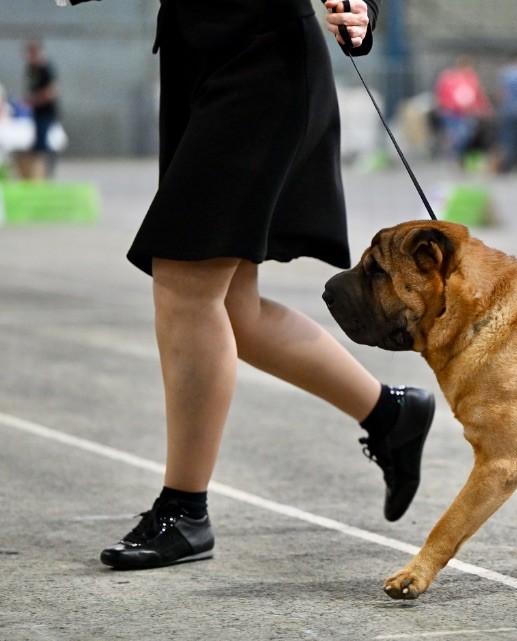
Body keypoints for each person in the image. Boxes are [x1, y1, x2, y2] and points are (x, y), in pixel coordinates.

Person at [63, 0, 435, 569]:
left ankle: (185, 509)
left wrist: (361, 5)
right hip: (198, 61)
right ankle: (388, 413)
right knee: (233, 309)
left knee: (186, 283)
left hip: (262, 63)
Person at [435, 56, 491, 167]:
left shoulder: (472, 79)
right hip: (451, 113)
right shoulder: (449, 78)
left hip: (466, 114)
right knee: (457, 136)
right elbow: (441, 94)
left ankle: (460, 159)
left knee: (466, 136)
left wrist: (485, 107)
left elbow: (478, 95)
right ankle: (454, 159)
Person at [22, 39, 60, 179]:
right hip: (36, 111)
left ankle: (47, 172)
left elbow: (51, 91)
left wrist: (35, 100)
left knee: (43, 143)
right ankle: (37, 173)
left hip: (46, 111)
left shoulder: (45, 68)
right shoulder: (31, 68)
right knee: (38, 142)